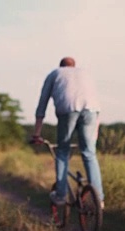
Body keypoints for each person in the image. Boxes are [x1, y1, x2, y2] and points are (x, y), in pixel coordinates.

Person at [30, 56, 104, 209]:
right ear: (74, 66)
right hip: (92, 110)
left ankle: (61, 195)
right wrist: (94, 136)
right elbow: (96, 105)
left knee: (62, 151)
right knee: (89, 153)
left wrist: (37, 133)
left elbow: (42, 103)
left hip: (68, 109)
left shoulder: (55, 73)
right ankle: (99, 199)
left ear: (61, 66)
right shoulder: (85, 74)